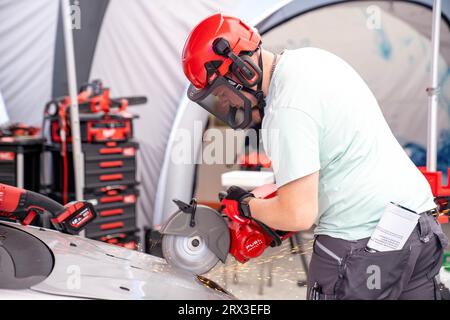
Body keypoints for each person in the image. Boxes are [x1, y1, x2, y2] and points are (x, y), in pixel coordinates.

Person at [181, 13, 448, 299]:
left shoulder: (284, 111)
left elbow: (297, 215)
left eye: (221, 93)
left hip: (362, 245)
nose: (225, 103)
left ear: (243, 71)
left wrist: (246, 206)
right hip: (419, 227)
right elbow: (334, 154)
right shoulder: (311, 60)